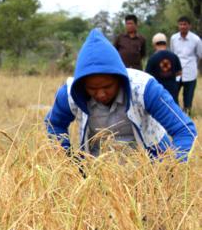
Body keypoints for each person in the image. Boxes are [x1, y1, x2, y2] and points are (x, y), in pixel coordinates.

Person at [45, 29, 196, 161]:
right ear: (82, 85)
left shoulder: (144, 89)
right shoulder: (70, 93)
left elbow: (184, 130)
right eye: (92, 88)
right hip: (99, 168)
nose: (101, 94)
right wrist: (69, 162)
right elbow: (54, 124)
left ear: (119, 78)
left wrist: (171, 166)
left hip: (149, 163)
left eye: (107, 86)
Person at [170, 16, 202, 116]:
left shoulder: (196, 39)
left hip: (190, 73)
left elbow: (200, 55)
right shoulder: (174, 38)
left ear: (189, 26)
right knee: (173, 96)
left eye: (185, 24)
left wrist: (194, 65)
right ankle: (176, 115)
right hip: (176, 73)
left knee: (188, 99)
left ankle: (187, 116)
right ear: (178, 25)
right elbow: (172, 54)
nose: (183, 26)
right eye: (181, 24)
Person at [145, 33, 182, 103]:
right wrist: (176, 85)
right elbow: (179, 73)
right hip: (173, 90)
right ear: (166, 43)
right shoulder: (174, 56)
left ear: (154, 44)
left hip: (158, 91)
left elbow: (147, 76)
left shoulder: (152, 58)